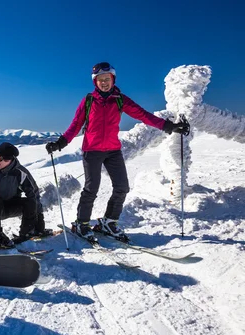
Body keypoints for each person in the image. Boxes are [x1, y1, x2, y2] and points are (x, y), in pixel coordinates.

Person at [46, 62, 190, 240]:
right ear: (95, 82)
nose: (104, 82)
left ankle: (109, 221)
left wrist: (169, 126)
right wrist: (60, 143)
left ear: (113, 79)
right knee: (92, 188)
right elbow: (75, 125)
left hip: (113, 150)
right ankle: (81, 224)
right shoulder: (88, 101)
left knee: (122, 187)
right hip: (92, 150)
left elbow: (143, 115)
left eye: (107, 79)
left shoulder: (120, 99)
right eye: (100, 80)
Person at [0, 142, 49, 248]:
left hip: (10, 206)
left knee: (30, 202)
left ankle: (26, 233)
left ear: (9, 159)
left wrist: (39, 219)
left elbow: (33, 194)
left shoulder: (20, 172)